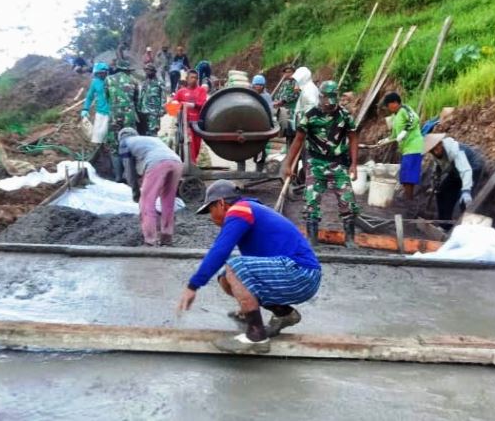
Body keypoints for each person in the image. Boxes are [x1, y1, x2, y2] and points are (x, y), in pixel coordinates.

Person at [177, 180, 322, 353]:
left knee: (234, 266)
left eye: (211, 210)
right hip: (296, 274)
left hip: (300, 273)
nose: (211, 216)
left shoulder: (240, 209)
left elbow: (220, 250)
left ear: (221, 203)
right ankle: (284, 314)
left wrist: (193, 285)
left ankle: (256, 336)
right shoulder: (250, 211)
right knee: (225, 277)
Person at [286, 80, 359, 248]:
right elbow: (298, 141)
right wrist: (288, 165)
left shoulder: (345, 116)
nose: (328, 107)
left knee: (347, 200)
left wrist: (354, 164)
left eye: (332, 104)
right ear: (320, 98)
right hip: (316, 163)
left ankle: (350, 239)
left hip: (338, 163)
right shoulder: (310, 116)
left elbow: (354, 138)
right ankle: (312, 240)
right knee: (311, 201)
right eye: (326, 104)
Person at [118, 128, 183, 246]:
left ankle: (150, 240)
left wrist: (135, 192)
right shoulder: (149, 140)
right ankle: (167, 237)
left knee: (147, 202)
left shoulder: (124, 143)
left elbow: (129, 170)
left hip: (157, 163)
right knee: (168, 201)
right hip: (176, 162)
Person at [423, 133, 486, 225]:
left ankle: (467, 229)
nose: (436, 151)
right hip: (456, 169)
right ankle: (444, 224)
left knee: (464, 200)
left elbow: (465, 170)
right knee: (441, 192)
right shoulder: (436, 155)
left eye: (438, 147)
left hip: (472, 167)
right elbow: (438, 169)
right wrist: (435, 184)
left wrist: (466, 191)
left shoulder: (454, 150)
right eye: (433, 150)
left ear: (441, 143)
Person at [378, 92, 424, 213]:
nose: (388, 108)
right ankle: (408, 201)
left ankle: (409, 203)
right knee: (404, 176)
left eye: (388, 105)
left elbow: (415, 119)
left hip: (414, 146)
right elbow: (394, 134)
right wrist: (386, 139)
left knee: (408, 176)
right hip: (406, 149)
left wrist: (405, 131)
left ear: (394, 103)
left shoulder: (405, 109)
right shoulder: (395, 116)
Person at [106, 59, 140, 182]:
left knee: (114, 146)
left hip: (114, 115)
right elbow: (136, 100)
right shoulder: (134, 81)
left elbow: (106, 97)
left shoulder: (108, 79)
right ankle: (130, 177)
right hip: (129, 116)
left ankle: (118, 176)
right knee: (129, 145)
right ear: (128, 70)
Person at [173, 69, 208, 165]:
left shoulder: (201, 90)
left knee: (196, 146)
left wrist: (189, 104)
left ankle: (192, 162)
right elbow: (173, 105)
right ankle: (191, 164)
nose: (194, 79)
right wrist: (174, 104)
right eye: (192, 77)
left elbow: (203, 104)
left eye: (196, 78)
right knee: (189, 142)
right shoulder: (181, 92)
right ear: (187, 79)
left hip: (198, 123)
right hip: (186, 123)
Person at [81, 62, 111, 144]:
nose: (99, 75)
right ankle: (100, 149)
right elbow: (89, 97)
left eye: (101, 73)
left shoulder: (112, 81)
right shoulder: (95, 82)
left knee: (109, 135)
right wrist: (85, 109)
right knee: (97, 136)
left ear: (106, 72)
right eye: (97, 74)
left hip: (111, 112)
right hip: (100, 112)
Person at [274, 64, 299, 147]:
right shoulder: (285, 83)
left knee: (290, 131)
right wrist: (276, 101)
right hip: (282, 110)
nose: (288, 74)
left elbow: (295, 95)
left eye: (290, 72)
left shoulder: (297, 83)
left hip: (292, 111)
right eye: (286, 72)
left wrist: (283, 101)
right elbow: (279, 94)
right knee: (281, 129)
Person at [251, 74, 271, 172]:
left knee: (260, 149)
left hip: (262, 125)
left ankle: (258, 172)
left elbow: (269, 111)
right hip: (250, 124)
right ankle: (241, 170)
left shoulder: (266, 97)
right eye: (256, 85)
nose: (258, 87)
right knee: (243, 149)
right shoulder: (249, 94)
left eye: (260, 85)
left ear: (263, 86)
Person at [138, 63, 165, 136]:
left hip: (154, 112)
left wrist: (162, 110)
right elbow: (141, 96)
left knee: (153, 132)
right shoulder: (144, 83)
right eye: (146, 70)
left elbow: (163, 97)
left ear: (153, 72)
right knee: (143, 133)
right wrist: (139, 109)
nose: (147, 72)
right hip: (143, 111)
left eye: (149, 70)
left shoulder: (159, 83)